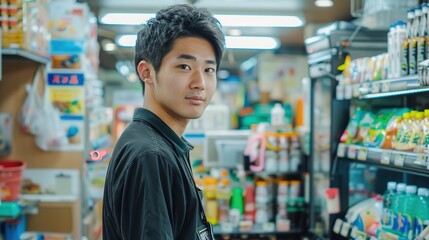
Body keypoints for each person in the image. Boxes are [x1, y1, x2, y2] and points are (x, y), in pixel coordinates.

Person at [102, 4, 225, 240]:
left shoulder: (163, 144)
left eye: (209, 69)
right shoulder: (150, 155)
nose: (200, 82)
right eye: (184, 66)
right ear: (147, 72)